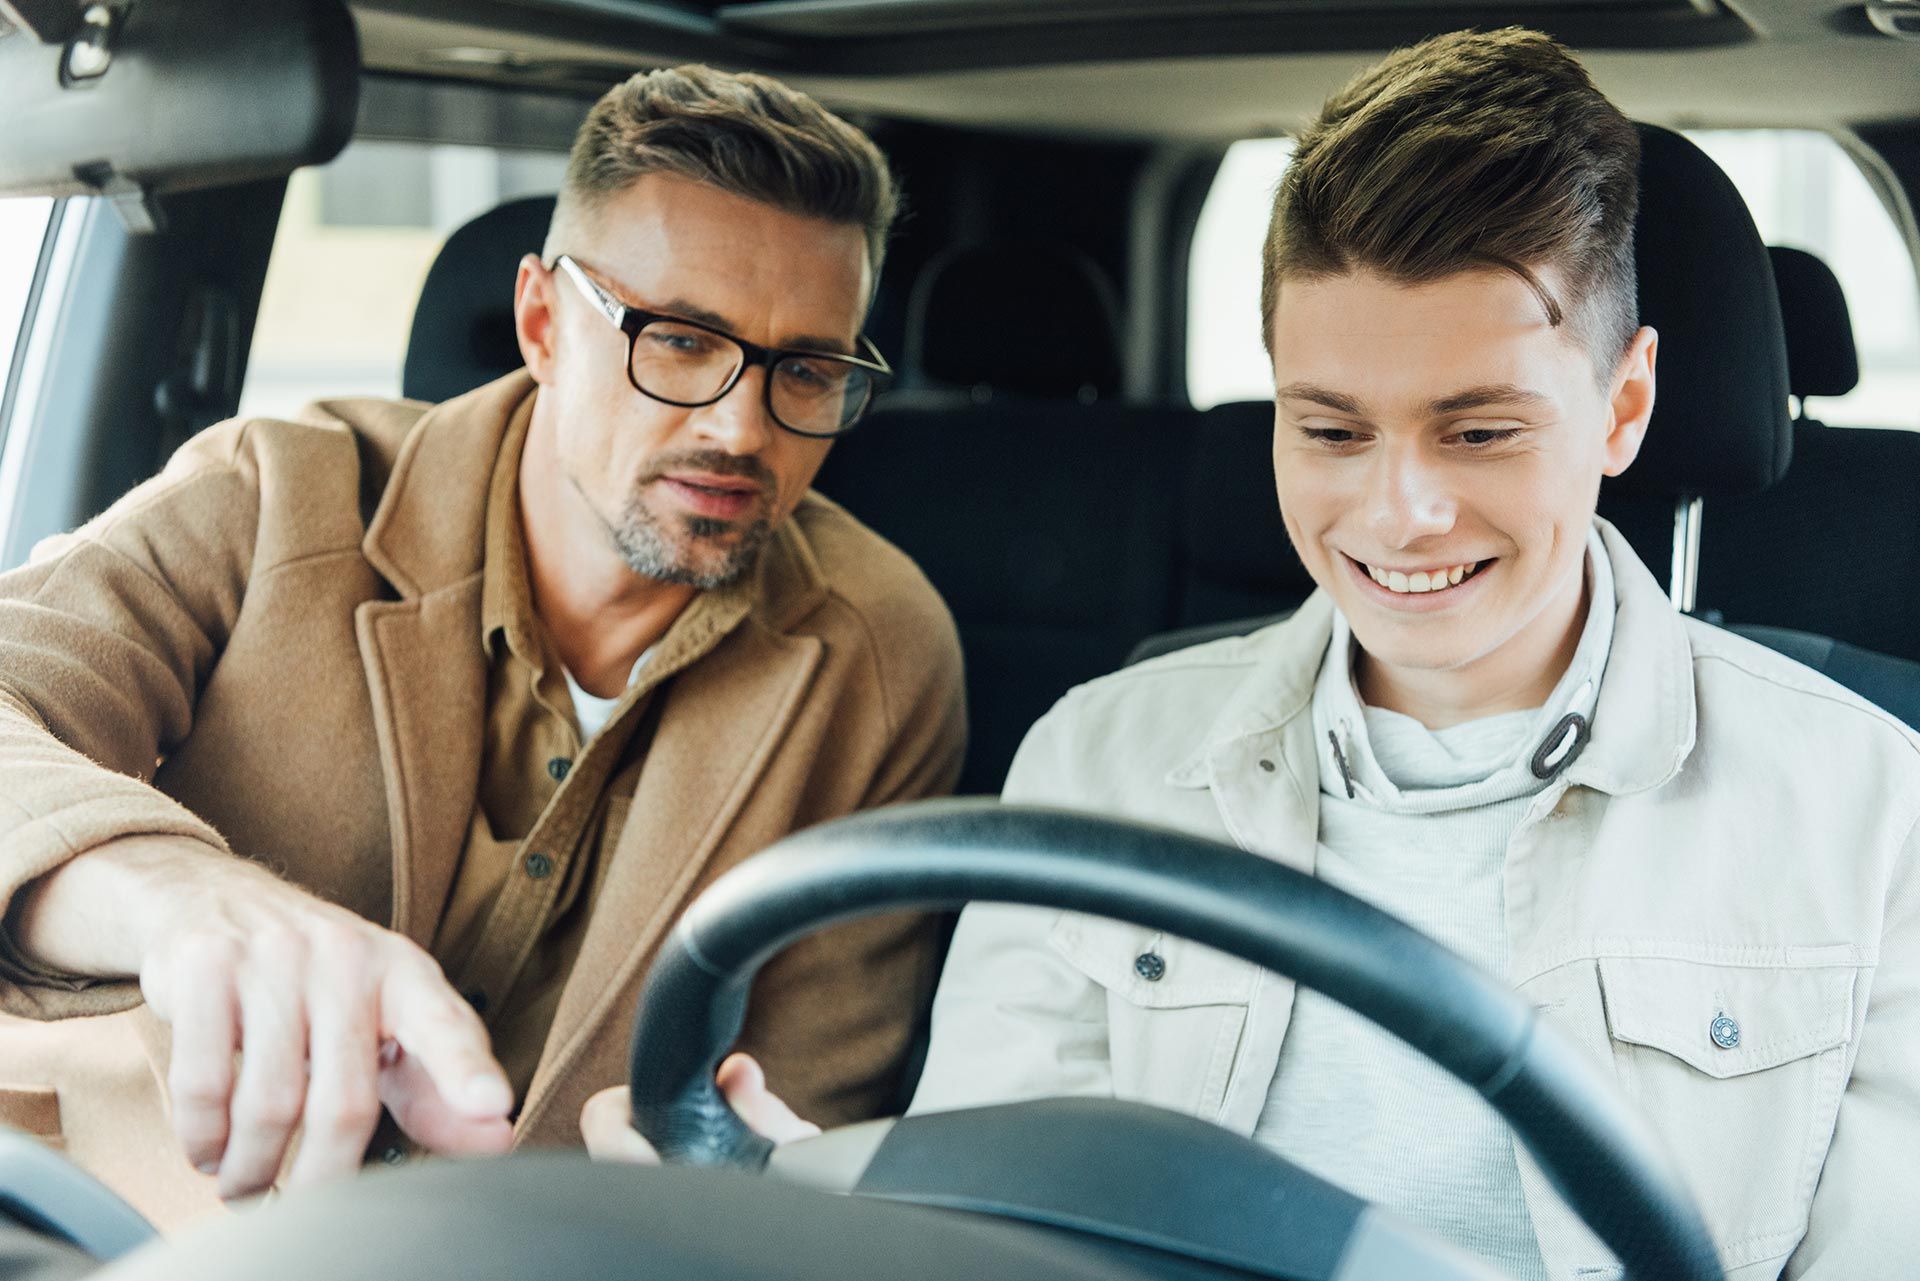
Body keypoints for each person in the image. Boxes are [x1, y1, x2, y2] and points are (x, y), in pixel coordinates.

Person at [612, 29, 1918, 1280]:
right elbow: (1002, 1229)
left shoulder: (1872, 815)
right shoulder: (1100, 759)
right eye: (1333, 430)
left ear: (1622, 405)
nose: (1399, 513)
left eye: (1479, 433)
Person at [0, 65, 964, 1224]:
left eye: (805, 369)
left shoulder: (880, 652)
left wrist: (713, 1187)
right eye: (682, 341)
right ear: (543, 322)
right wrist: (182, 900)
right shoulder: (277, 495)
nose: (738, 426)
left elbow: (810, 1112)